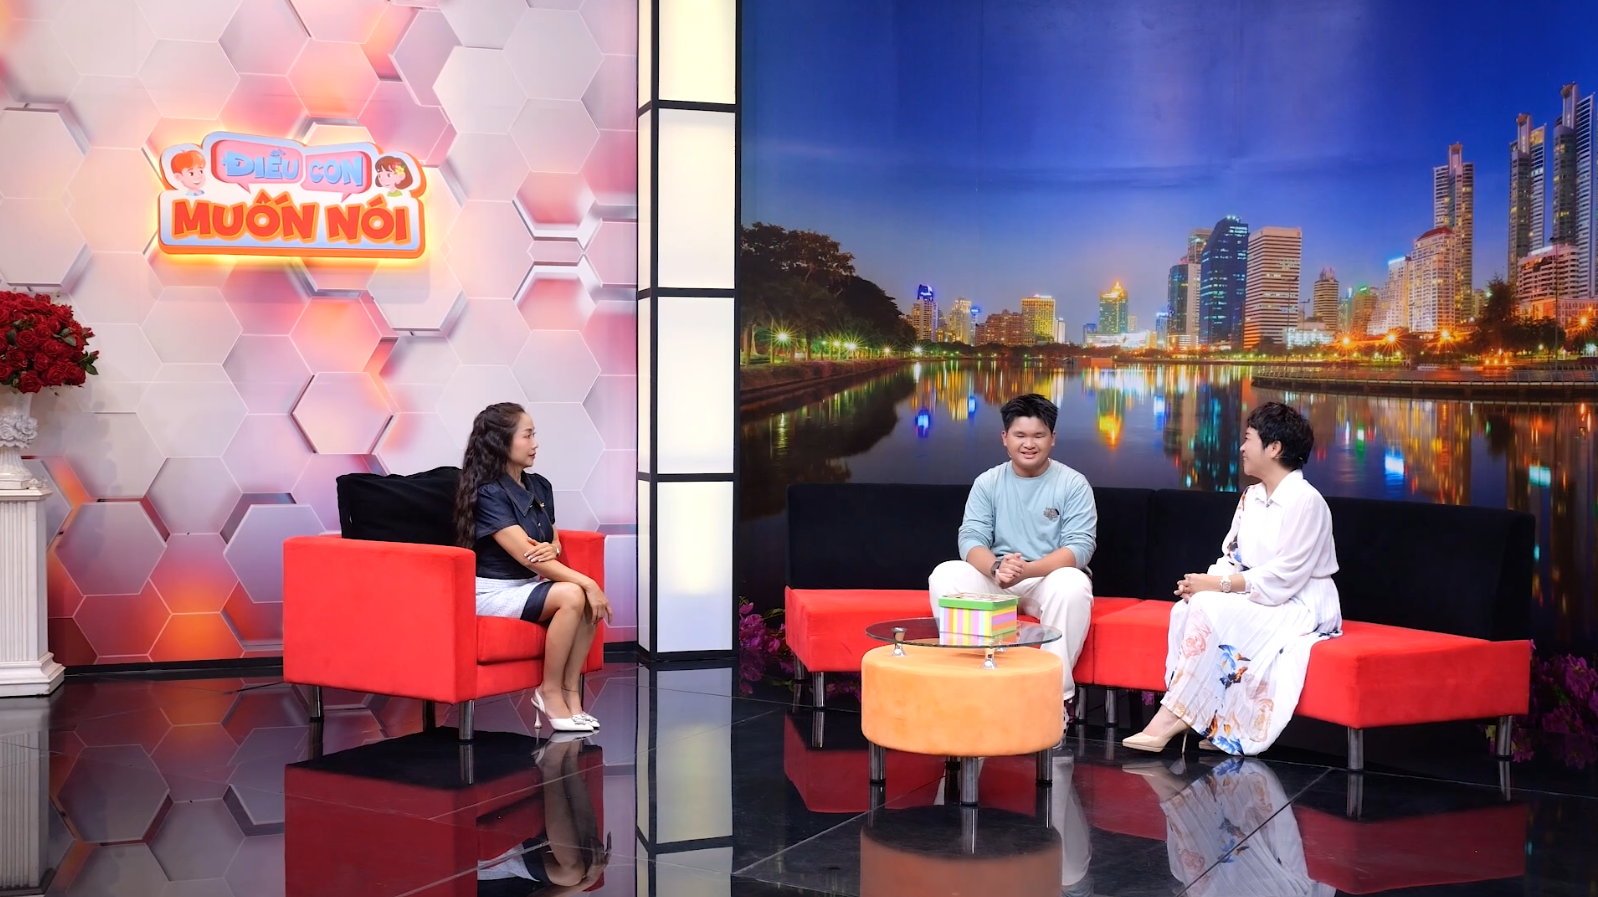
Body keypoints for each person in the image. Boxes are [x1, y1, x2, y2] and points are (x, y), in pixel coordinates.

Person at [1124, 401, 1341, 756]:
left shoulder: (1306, 501)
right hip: (1259, 595)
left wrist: (1217, 587)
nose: (1241, 447)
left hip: (1301, 603)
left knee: (1210, 606)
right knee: (1187, 608)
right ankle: (1207, 717)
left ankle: (1175, 715)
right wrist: (1201, 583)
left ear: (1274, 448)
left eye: (1248, 439)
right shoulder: (1251, 497)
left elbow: (1286, 575)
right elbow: (1233, 558)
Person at [927, 393, 1097, 722]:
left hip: (1045, 580)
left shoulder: (1073, 484)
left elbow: (1079, 548)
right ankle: (974, 685)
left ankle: (1051, 701)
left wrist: (1027, 570)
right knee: (946, 574)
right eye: (1020, 435)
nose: (1029, 444)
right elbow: (971, 539)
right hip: (999, 579)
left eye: (1038, 435)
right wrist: (996, 568)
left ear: (1052, 438)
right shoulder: (988, 482)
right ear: (1005, 438)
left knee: (1073, 583)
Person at [454, 402, 612, 733]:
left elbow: (551, 537)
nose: (535, 444)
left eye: (533, 435)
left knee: (581, 596)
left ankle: (571, 694)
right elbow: (527, 556)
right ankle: (548, 691)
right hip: (492, 592)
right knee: (575, 593)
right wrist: (589, 583)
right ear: (501, 442)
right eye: (527, 436)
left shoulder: (539, 485)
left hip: (526, 586)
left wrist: (554, 547)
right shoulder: (488, 493)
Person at [476, 735, 612, 896]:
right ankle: (569, 761)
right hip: (520, 878)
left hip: (491, 872)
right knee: (585, 865)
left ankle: (551, 765)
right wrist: (587, 881)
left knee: (571, 872)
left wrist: (586, 883)